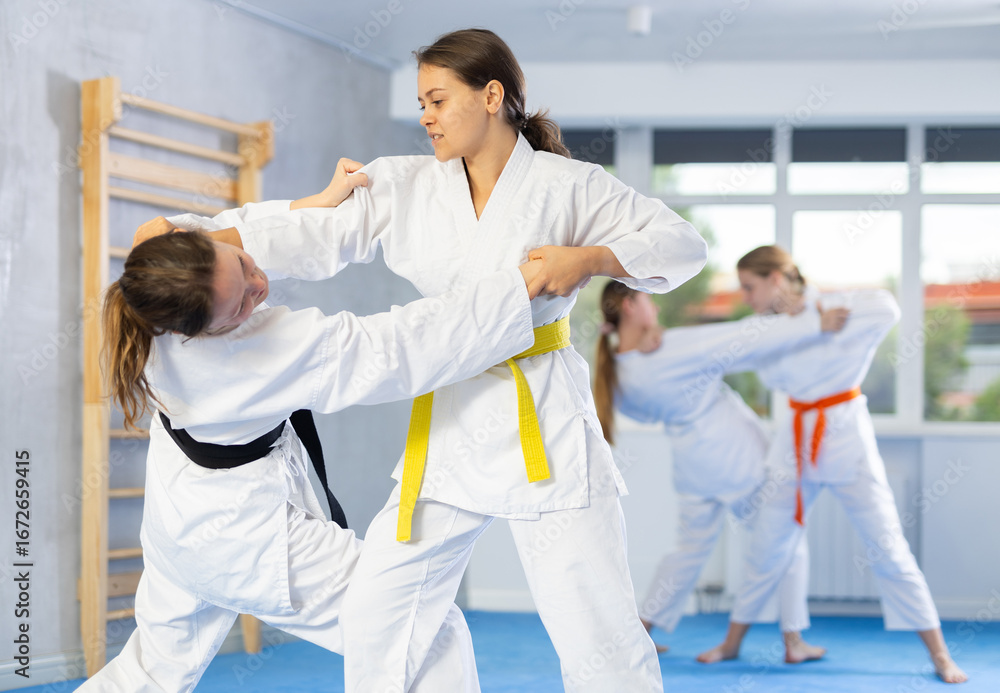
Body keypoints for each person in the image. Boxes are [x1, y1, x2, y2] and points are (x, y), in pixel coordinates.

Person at [155, 28, 708, 693]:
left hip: (544, 422)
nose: (426, 116)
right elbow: (314, 233)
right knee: (379, 612)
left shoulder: (570, 186)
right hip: (451, 426)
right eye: (422, 103)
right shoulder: (406, 182)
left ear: (492, 96)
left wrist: (590, 258)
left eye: (438, 100)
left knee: (596, 630)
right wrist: (196, 236)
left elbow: (682, 245)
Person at [79, 167, 559, 692]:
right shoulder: (258, 351)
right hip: (247, 540)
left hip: (177, 523)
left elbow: (222, 232)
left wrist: (317, 201)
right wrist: (518, 290)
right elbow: (400, 347)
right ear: (194, 332)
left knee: (148, 673)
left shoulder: (150, 289)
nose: (258, 286)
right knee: (424, 629)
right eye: (240, 306)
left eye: (242, 264)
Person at [695, 246, 967, 684]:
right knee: (767, 547)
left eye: (749, 286)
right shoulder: (768, 331)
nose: (745, 297)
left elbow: (888, 309)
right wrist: (808, 326)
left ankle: (940, 656)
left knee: (888, 548)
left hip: (846, 439)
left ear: (777, 278)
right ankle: (731, 644)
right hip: (794, 441)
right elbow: (765, 369)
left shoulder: (836, 306)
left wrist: (816, 310)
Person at [594, 280, 846, 662]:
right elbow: (743, 338)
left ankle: (638, 634)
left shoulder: (617, 373)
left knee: (687, 552)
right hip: (734, 457)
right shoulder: (669, 348)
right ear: (629, 305)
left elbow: (646, 412)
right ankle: (793, 640)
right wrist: (812, 324)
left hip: (691, 465)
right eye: (648, 300)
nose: (656, 309)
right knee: (787, 537)